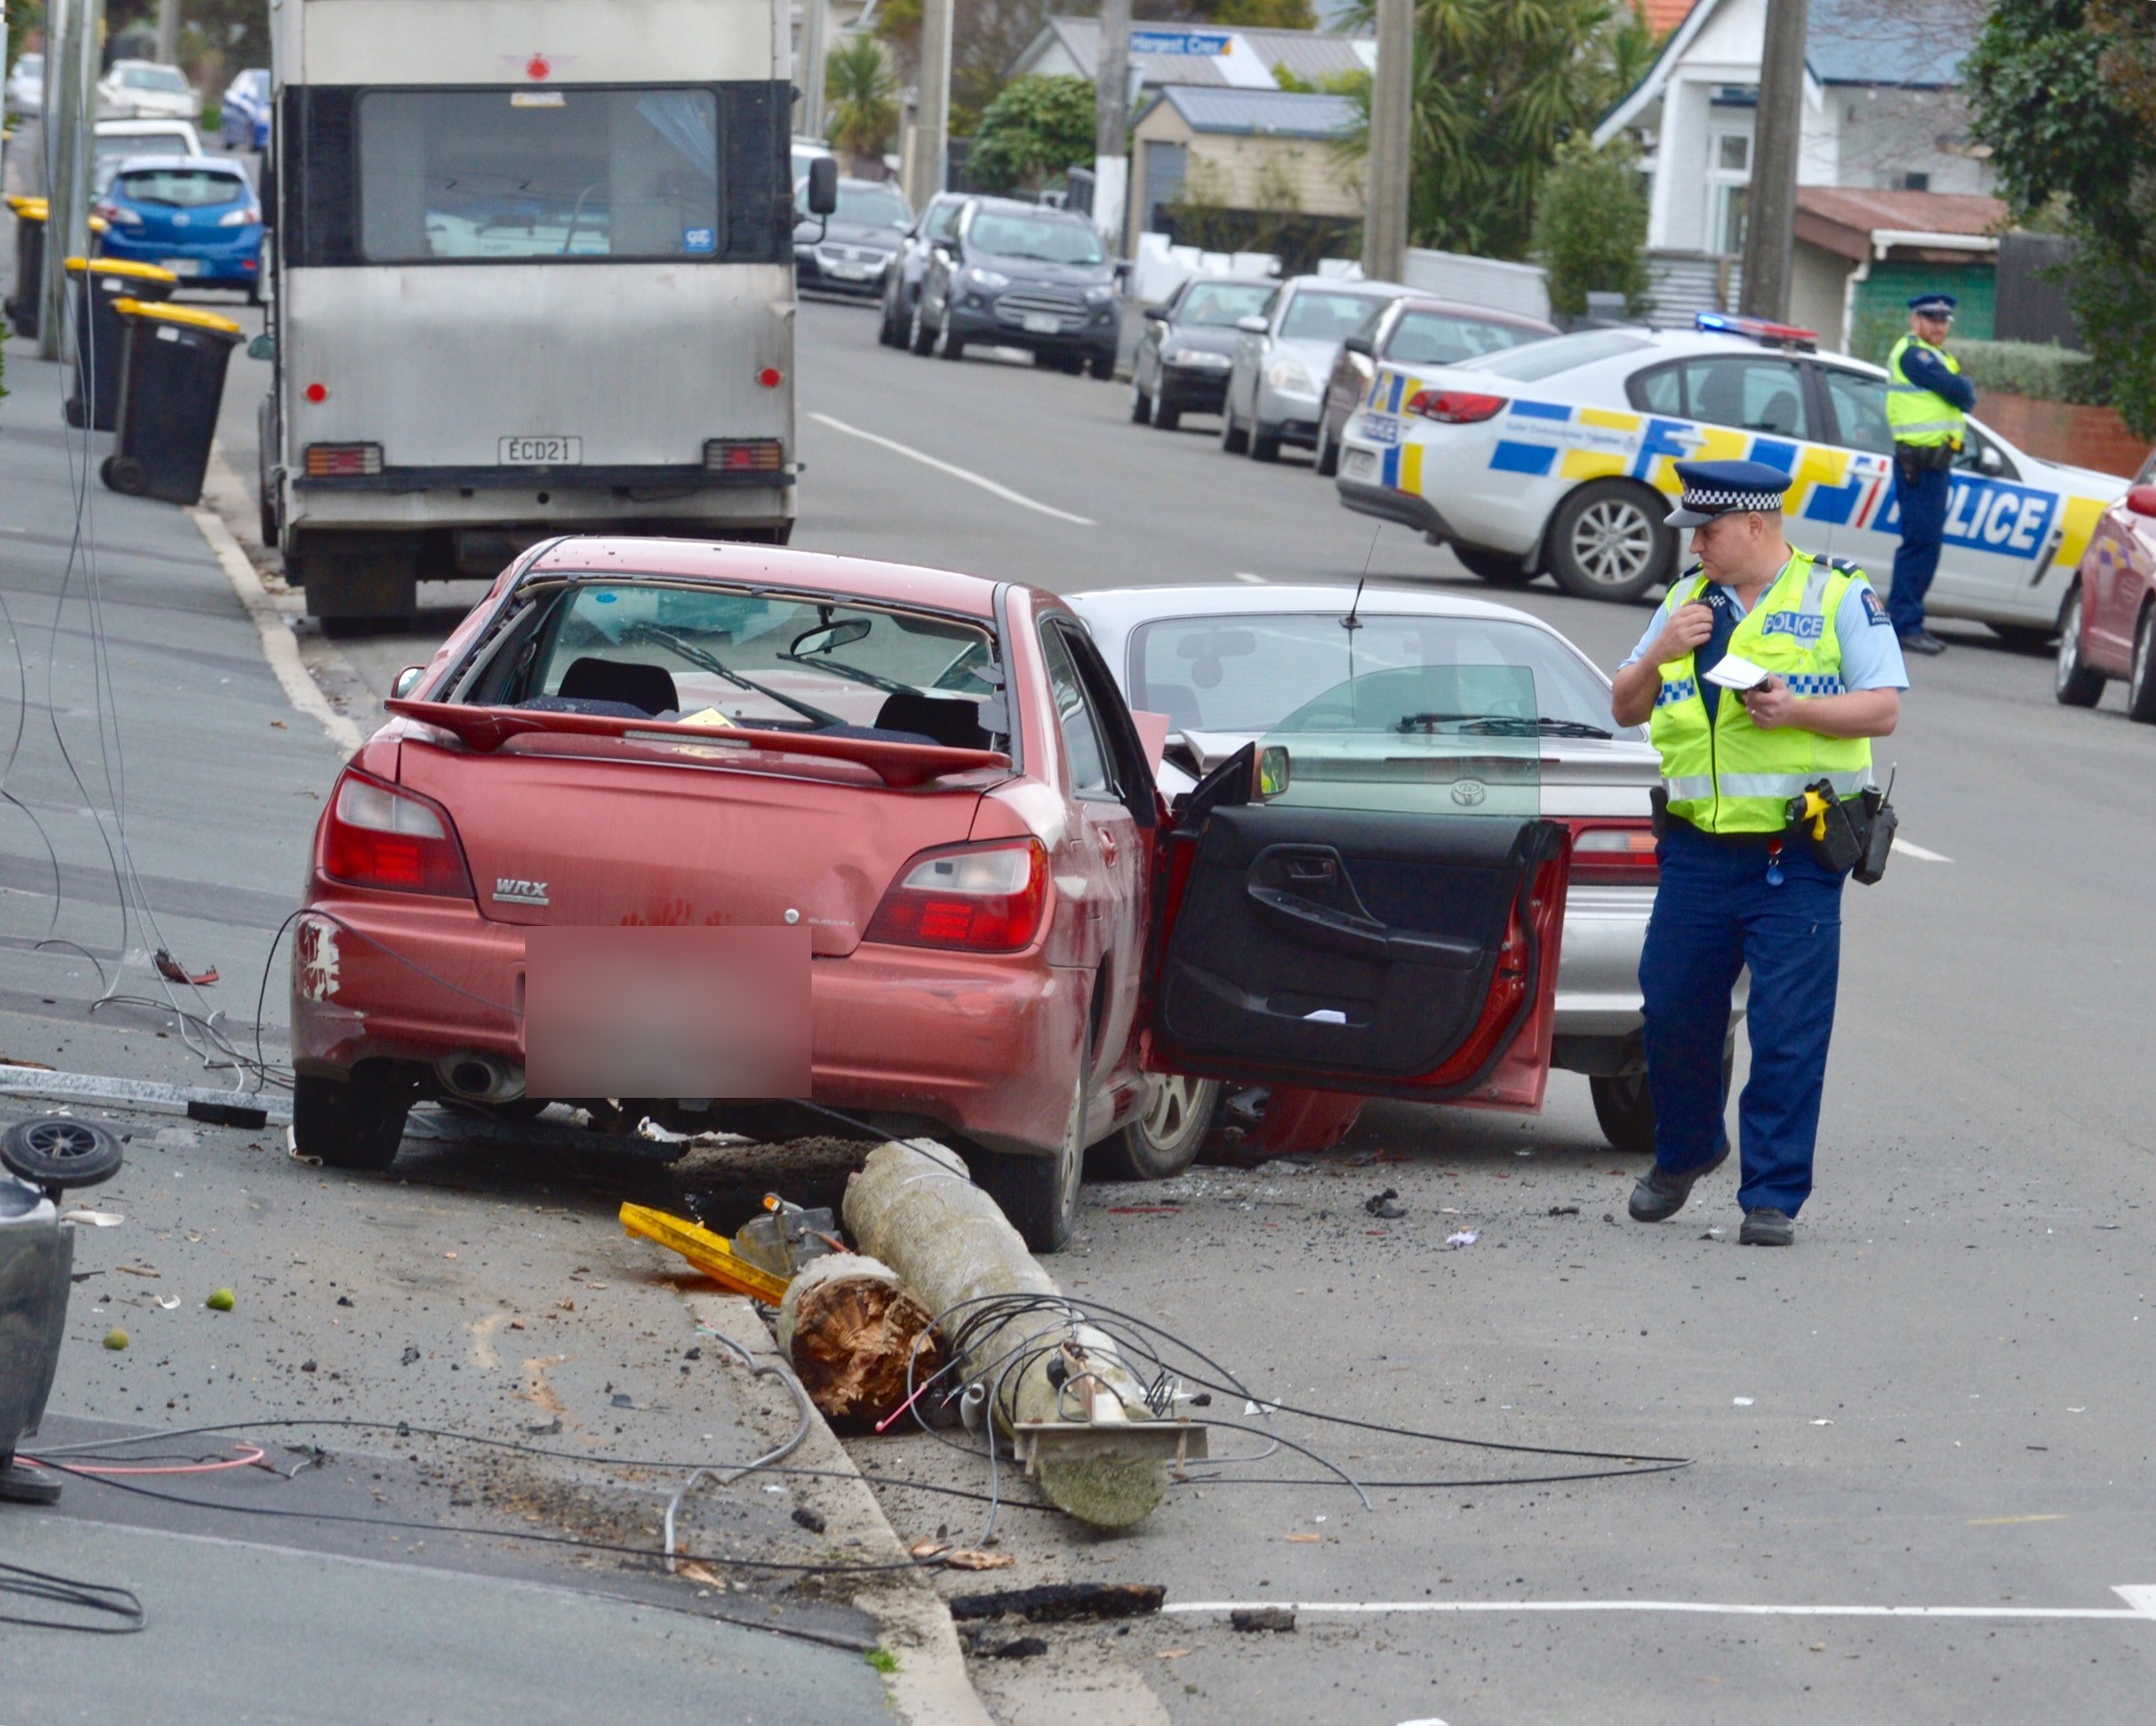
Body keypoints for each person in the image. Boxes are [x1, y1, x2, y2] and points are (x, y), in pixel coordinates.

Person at [1608, 459, 1906, 1247]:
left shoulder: (1838, 594)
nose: (1694, 544)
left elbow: (1882, 710)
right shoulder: (1684, 601)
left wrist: (1795, 709)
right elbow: (1623, 703)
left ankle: (1771, 1196)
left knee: (1787, 1029)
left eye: (1706, 531)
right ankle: (1687, 1151)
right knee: (1670, 1010)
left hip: (1796, 853)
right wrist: (1657, 652)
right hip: (1698, 853)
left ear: (1754, 525)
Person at [1883, 292, 1976, 657]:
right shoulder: (1914, 355)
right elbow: (1960, 391)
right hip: (1918, 465)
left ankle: (1908, 621)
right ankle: (1904, 624)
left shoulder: (1935, 356)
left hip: (1932, 465)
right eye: (1931, 319)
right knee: (1920, 545)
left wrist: (1963, 391)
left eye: (1944, 320)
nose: (1938, 325)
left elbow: (1962, 395)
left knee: (1925, 545)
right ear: (1916, 321)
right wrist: (1964, 389)